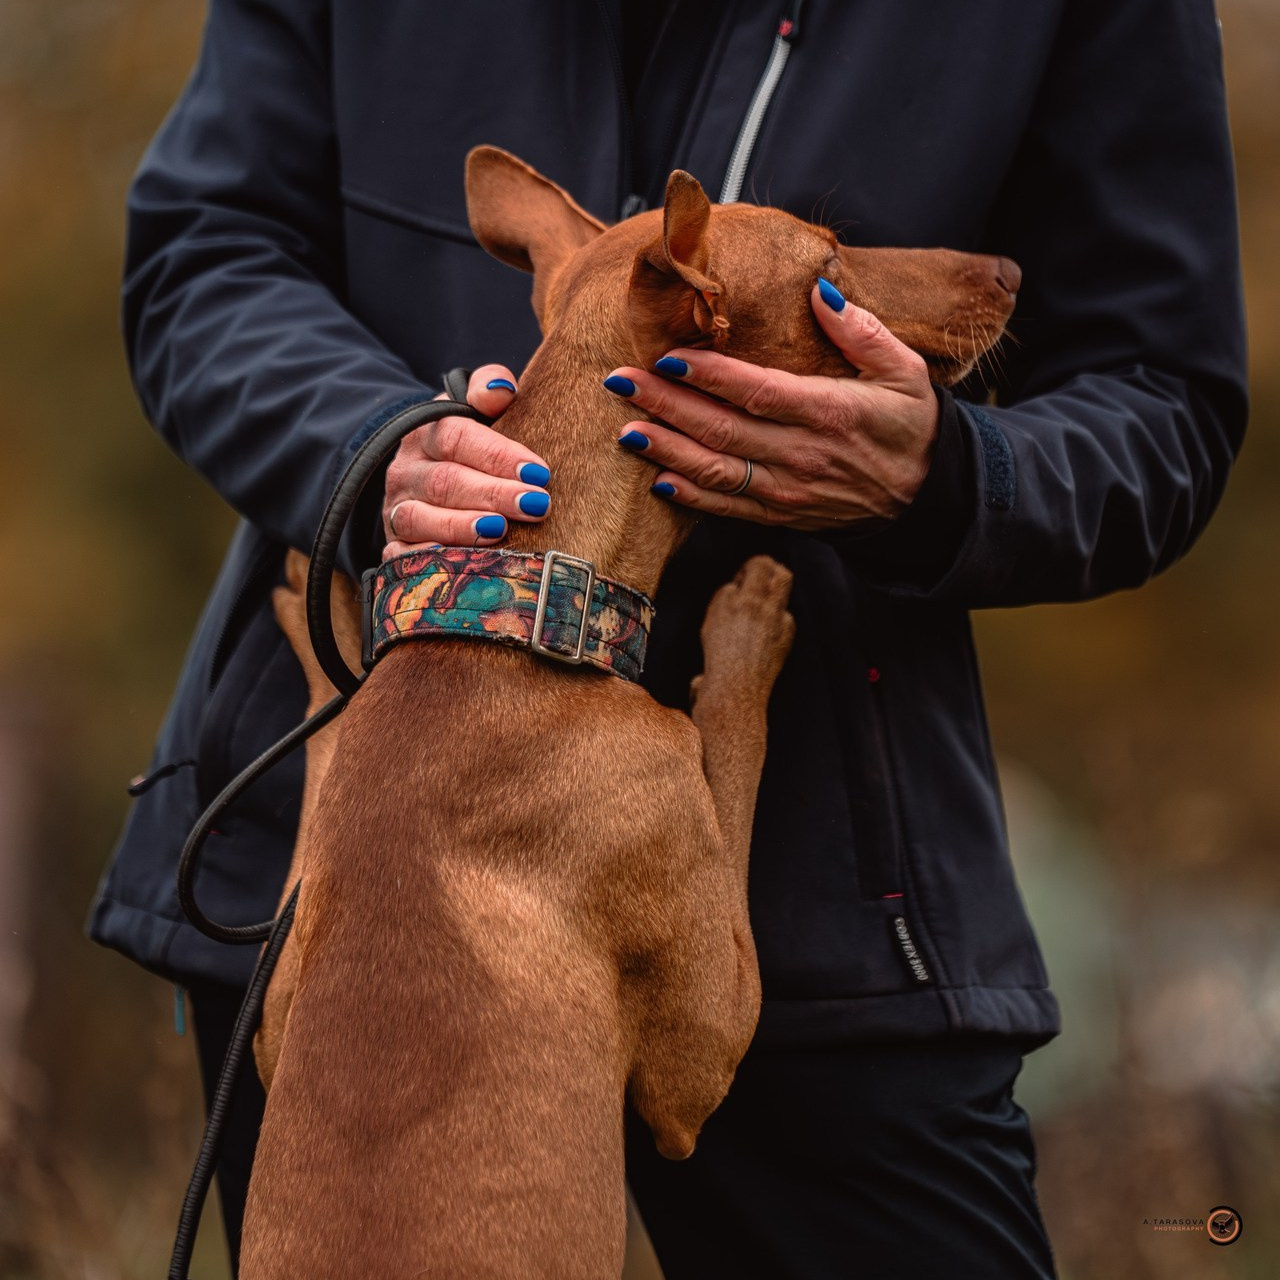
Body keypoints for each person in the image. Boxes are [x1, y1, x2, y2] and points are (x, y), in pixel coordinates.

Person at [89, 2, 1246, 1276]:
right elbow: (205, 249)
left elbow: (1164, 397)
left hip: (849, 902)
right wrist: (368, 447)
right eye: (827, 267)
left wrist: (953, 475)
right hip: (358, 880)